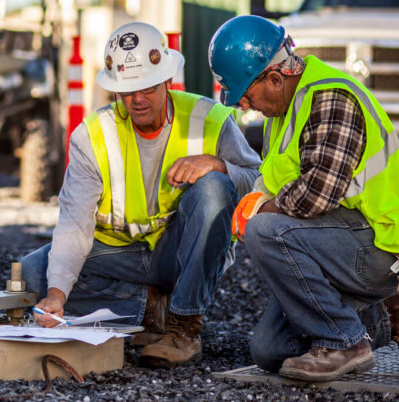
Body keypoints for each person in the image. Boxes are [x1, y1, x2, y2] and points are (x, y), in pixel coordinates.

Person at [21, 22, 261, 368]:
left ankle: (183, 326)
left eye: (147, 87)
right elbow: (74, 224)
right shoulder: (93, 136)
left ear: (166, 80)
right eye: (127, 89)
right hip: (119, 253)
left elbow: (258, 182)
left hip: (181, 252)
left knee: (213, 189)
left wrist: (220, 166)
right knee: (35, 273)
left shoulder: (209, 119)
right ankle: (149, 307)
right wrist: (57, 293)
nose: (136, 99)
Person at [208, 15, 399, 382]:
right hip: (338, 242)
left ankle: (346, 343)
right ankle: (378, 318)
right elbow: (275, 176)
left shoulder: (331, 98)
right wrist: (258, 196)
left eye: (245, 95)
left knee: (266, 230)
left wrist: (260, 210)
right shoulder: (281, 109)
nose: (244, 105)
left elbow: (315, 195)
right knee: (269, 350)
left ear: (275, 78)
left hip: (382, 248)